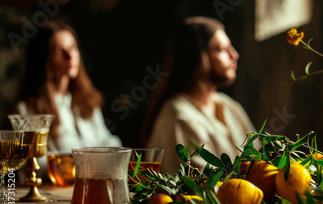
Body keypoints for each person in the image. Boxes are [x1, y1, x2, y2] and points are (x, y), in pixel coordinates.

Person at [142, 17, 256, 174]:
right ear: (199, 56)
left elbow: (258, 160)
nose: (234, 55)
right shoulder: (179, 114)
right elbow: (202, 185)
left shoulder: (229, 106)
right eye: (222, 49)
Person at [13, 21, 122, 152]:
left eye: (73, 47)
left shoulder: (86, 100)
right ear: (44, 59)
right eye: (60, 51)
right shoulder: (27, 110)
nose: (70, 56)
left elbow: (108, 141)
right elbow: (36, 163)